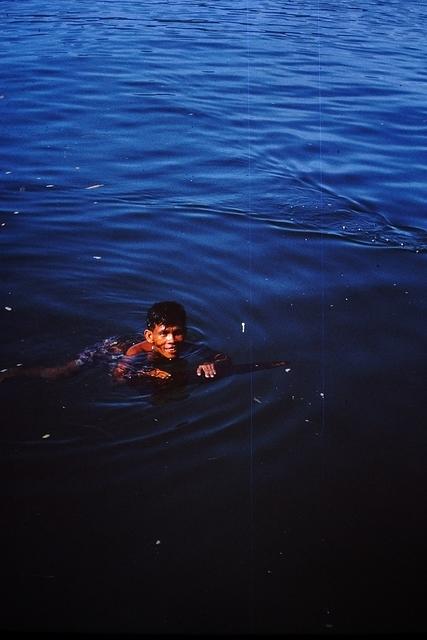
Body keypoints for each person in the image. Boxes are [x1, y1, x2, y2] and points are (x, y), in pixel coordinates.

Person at [0, 301, 231, 385]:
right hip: (112, 348)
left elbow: (223, 357)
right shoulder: (136, 353)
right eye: (164, 334)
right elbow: (118, 378)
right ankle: (14, 372)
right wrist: (150, 374)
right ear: (151, 336)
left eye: (178, 333)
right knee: (62, 372)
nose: (172, 340)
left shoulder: (186, 346)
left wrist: (212, 363)